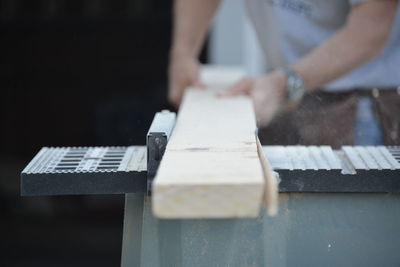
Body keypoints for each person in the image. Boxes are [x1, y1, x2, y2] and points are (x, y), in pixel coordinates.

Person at [168, 0, 400, 148]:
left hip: (362, 106)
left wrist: (285, 84)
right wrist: (183, 52)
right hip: (286, 90)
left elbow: (372, 27)